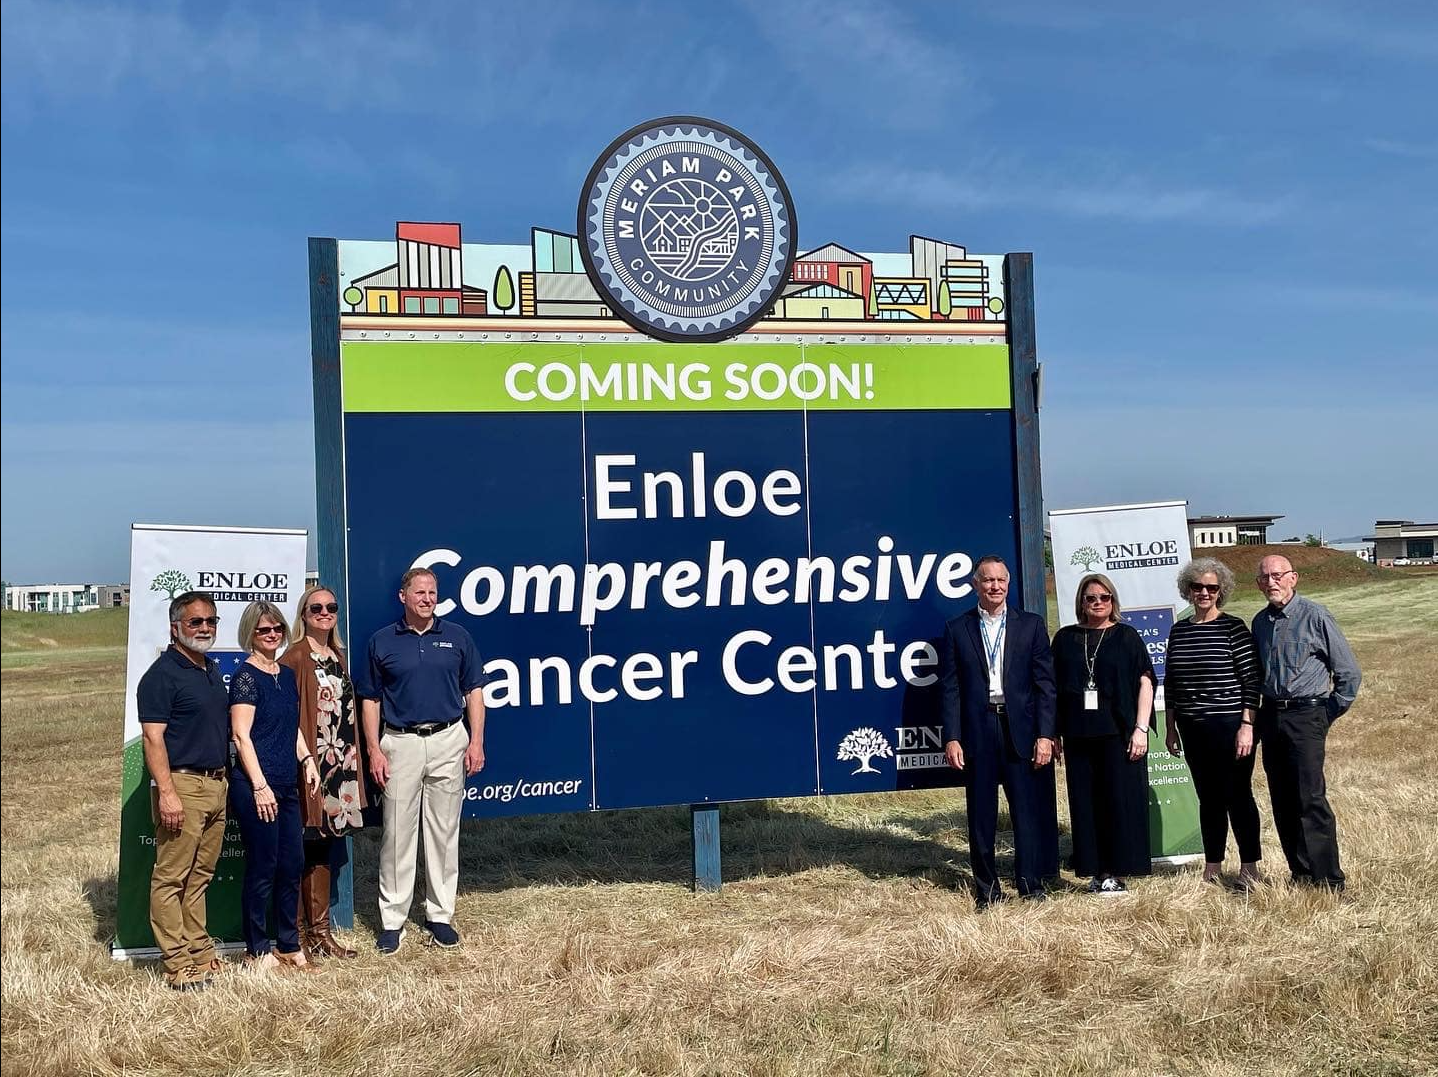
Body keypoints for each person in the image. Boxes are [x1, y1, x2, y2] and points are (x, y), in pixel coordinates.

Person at [359, 568, 486, 955]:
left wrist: (476, 741)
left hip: (449, 738)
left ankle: (440, 915)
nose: (427, 598)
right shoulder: (382, 641)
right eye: (419, 592)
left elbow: (474, 690)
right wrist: (373, 749)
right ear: (403, 597)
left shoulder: (457, 637)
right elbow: (370, 699)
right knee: (397, 834)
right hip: (400, 742)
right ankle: (392, 920)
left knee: (444, 832)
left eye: (432, 592)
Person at [939, 555, 1058, 907]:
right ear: (976, 584)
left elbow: (1045, 686)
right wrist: (952, 736)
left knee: (1026, 811)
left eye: (1001, 580)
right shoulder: (957, 628)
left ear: (1009, 584)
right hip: (979, 729)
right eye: (988, 580)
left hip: (1019, 727)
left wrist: (1045, 734)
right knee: (981, 814)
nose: (995, 586)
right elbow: (950, 688)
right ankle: (987, 891)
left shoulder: (1031, 625)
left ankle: (1030, 885)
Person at [138, 591, 231, 991]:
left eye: (210, 621)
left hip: (216, 784)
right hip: (183, 786)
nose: (205, 628)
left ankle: (200, 952)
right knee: (172, 878)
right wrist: (167, 793)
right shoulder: (161, 675)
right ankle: (177, 964)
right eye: (196, 622)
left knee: (201, 876)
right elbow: (152, 739)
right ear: (175, 627)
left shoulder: (209, 668)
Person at [1251, 554, 1361, 892]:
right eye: (1265, 577)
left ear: (1293, 578)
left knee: (1310, 797)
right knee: (1282, 798)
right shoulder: (1259, 622)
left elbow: (1349, 675)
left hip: (1306, 715)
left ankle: (1328, 879)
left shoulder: (1315, 616)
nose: (1272, 582)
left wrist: (1324, 714)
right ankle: (1300, 875)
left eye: (1278, 575)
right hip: (1271, 715)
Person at [228, 601, 321, 973]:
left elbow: (290, 727)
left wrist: (307, 759)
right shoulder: (246, 677)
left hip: (287, 784)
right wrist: (260, 785)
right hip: (256, 787)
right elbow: (240, 735)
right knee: (263, 866)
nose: (271, 635)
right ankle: (257, 949)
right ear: (250, 634)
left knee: (292, 863)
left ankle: (288, 943)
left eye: (277, 629)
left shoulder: (282, 674)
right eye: (263, 630)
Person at [1052, 574, 1156, 894]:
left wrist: (1141, 729)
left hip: (1119, 734)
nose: (1098, 603)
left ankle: (1117, 871)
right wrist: (1053, 732)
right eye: (1090, 598)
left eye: (1104, 597)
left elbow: (1146, 683)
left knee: (1119, 802)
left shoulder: (1126, 636)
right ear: (1081, 603)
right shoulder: (1066, 638)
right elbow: (1053, 689)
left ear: (1113, 601)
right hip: (1079, 736)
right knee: (1086, 804)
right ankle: (1094, 870)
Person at [1164, 558, 1264, 888]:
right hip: (1194, 729)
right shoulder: (1179, 630)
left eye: (1211, 588)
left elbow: (1251, 680)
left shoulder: (1233, 627)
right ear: (1188, 590)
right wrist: (1170, 728)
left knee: (1237, 795)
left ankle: (1249, 866)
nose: (1204, 593)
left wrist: (1247, 725)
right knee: (1208, 798)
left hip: (1231, 726)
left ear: (1221, 591)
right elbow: (1172, 684)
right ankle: (1213, 865)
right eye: (1198, 587)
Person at [280, 585, 366, 959]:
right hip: (312, 763)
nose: (325, 612)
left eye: (331, 607)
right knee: (303, 844)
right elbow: (286, 715)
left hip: (341, 764)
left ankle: (321, 934)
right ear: (303, 614)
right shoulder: (295, 657)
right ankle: (296, 935)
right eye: (316, 607)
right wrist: (305, 760)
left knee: (326, 844)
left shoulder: (337, 656)